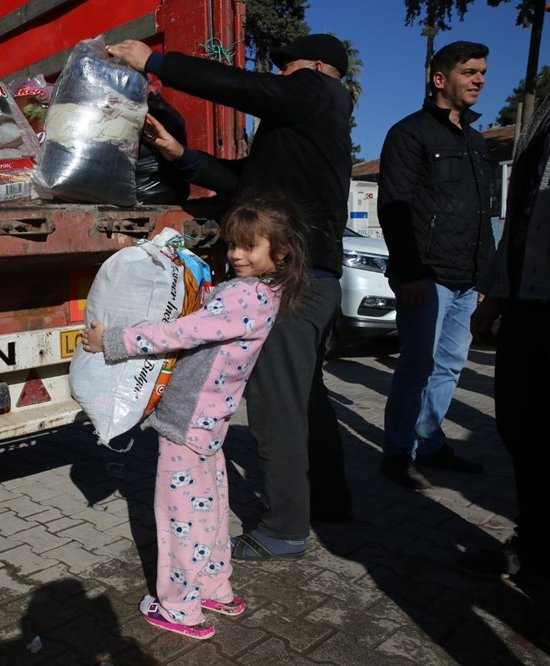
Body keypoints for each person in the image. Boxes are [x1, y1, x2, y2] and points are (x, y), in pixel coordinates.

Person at [107, 33, 354, 561]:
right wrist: (181, 155)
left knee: (276, 409)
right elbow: (245, 182)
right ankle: (328, 502)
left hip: (293, 283)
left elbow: (241, 86)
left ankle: (284, 530)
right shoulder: (309, 130)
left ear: (311, 68)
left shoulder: (319, 92)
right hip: (313, 279)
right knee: (307, 397)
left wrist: (156, 61)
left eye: (286, 72)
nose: (282, 80)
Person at [81, 193, 307, 639]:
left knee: (179, 517)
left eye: (249, 247)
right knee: (210, 509)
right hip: (212, 422)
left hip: (188, 422)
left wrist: (114, 341)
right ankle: (215, 589)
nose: (236, 255)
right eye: (233, 245)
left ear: (278, 253)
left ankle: (179, 609)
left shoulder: (243, 296)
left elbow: (180, 331)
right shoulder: (266, 293)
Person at [377, 41, 495, 490]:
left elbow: (484, 211)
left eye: (482, 72)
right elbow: (394, 207)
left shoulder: (477, 140)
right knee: (416, 365)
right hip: (427, 277)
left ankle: (429, 442)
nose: (480, 79)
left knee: (449, 366)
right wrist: (411, 273)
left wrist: (489, 275)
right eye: (470, 72)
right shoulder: (408, 134)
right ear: (440, 79)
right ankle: (396, 453)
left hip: (468, 279)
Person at [458, 91, 550, 647]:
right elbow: (522, 214)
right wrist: (494, 292)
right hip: (526, 299)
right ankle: (536, 546)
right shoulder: (542, 115)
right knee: (520, 428)